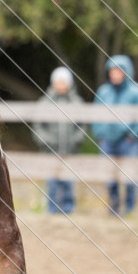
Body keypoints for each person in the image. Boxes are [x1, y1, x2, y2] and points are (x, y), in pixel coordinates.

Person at [92, 55, 138, 215]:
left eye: (118, 71)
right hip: (107, 141)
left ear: (126, 72)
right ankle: (114, 207)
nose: (114, 74)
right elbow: (95, 114)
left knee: (129, 176)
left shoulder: (136, 92)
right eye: (112, 71)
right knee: (110, 177)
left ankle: (130, 208)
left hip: (128, 142)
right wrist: (100, 134)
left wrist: (133, 135)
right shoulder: (104, 91)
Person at [31, 67, 87, 214]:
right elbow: (37, 125)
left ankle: (68, 209)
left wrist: (76, 141)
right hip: (50, 151)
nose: (61, 85)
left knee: (68, 181)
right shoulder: (44, 103)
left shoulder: (77, 103)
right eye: (58, 82)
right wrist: (45, 141)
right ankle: (51, 209)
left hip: (70, 150)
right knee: (52, 182)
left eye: (63, 82)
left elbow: (82, 125)